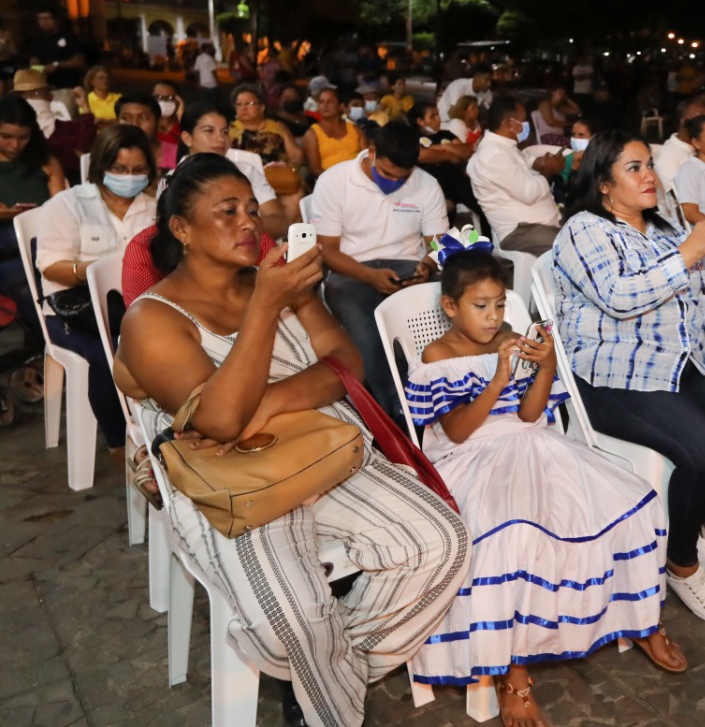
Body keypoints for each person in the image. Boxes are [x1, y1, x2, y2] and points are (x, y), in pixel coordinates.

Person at [112, 155, 469, 727]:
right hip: (237, 485)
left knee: (442, 542)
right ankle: (321, 680)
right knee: (290, 623)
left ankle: (318, 676)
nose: (248, 223)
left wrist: (270, 399)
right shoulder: (152, 319)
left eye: (252, 210)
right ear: (182, 229)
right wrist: (265, 307)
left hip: (323, 447)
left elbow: (345, 362)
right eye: (227, 212)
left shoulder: (280, 282)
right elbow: (221, 423)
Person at [406, 245, 684, 725]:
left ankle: (639, 618)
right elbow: (458, 432)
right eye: (480, 306)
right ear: (450, 306)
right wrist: (496, 379)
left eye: (500, 304)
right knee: (512, 535)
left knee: (635, 502)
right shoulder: (439, 354)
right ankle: (512, 669)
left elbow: (531, 414)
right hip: (471, 456)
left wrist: (548, 365)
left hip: (532, 439)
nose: (493, 317)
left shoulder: (512, 338)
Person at [553, 130, 705, 625]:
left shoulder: (663, 230)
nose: (650, 176)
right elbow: (620, 298)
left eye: (649, 165)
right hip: (614, 372)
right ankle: (681, 563)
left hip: (683, 360)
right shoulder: (584, 230)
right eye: (634, 168)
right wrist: (690, 249)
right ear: (603, 183)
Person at [37, 124, 156, 467]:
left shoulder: (155, 207)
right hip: (75, 310)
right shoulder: (68, 204)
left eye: (138, 170)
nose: (128, 177)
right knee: (107, 355)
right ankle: (118, 441)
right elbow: (51, 266)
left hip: (133, 308)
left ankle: (160, 429)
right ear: (101, 165)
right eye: (119, 169)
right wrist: (95, 272)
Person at [314, 121, 449, 418]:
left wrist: (427, 266)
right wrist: (369, 277)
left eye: (403, 178)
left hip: (409, 268)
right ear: (372, 151)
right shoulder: (335, 180)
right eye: (387, 174)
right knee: (368, 336)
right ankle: (397, 414)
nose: (394, 183)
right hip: (351, 271)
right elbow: (327, 250)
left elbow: (438, 244)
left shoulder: (426, 184)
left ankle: (442, 402)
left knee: (434, 328)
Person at [0, 95, 70, 344]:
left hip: (42, 246)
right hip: (8, 252)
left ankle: (57, 345)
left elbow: (62, 206)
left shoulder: (45, 163)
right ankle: (61, 345)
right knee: (27, 283)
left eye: (23, 137)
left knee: (40, 281)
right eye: (6, 136)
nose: (15, 144)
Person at [467, 97, 562, 255]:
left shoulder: (505, 148)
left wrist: (543, 162)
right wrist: (549, 171)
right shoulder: (493, 155)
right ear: (509, 123)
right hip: (522, 232)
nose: (526, 124)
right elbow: (529, 193)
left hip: (539, 226)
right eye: (523, 120)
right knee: (575, 246)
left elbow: (526, 161)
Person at [177, 104, 288, 238]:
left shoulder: (246, 171)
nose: (220, 139)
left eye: (224, 132)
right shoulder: (174, 180)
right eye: (209, 131)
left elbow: (280, 223)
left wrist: (238, 225)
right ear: (187, 138)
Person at [10, 68, 95, 183]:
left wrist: (85, 106)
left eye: (36, 94)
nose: (30, 100)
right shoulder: (10, 132)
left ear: (49, 97)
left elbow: (84, 150)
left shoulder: (67, 128)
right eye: (24, 97)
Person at [229, 83, 304, 168]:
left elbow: (296, 154)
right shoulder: (228, 129)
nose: (243, 108)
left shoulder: (277, 126)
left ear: (262, 107)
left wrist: (289, 169)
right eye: (239, 104)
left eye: (249, 103)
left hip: (275, 173)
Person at [302, 87, 367, 176]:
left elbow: (367, 158)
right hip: (329, 180)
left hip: (358, 177)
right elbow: (315, 169)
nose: (325, 105)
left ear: (341, 106)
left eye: (330, 101)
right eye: (321, 102)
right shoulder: (312, 134)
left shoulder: (356, 129)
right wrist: (336, 180)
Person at [116, 93, 179, 171]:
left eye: (143, 117)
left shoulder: (179, 155)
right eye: (125, 118)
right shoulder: (107, 154)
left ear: (158, 122)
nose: (134, 124)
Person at [27, 7, 85, 90]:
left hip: (67, 86)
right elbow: (33, 64)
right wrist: (43, 68)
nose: (44, 22)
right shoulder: (38, 40)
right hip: (46, 86)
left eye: (47, 18)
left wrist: (57, 65)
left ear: (56, 20)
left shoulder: (69, 37)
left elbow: (79, 61)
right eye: (40, 19)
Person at [152, 79, 184, 146]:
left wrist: (181, 116)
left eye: (169, 98)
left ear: (178, 101)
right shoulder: (146, 126)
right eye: (158, 97)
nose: (163, 101)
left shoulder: (183, 126)